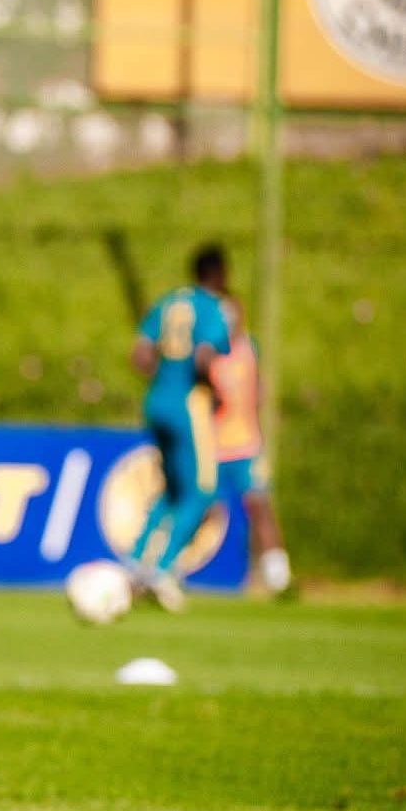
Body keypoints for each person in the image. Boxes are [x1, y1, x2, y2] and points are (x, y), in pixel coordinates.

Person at [125, 244, 233, 612]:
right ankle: (163, 569)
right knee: (202, 491)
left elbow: (139, 354)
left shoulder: (169, 301)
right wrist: (214, 390)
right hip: (190, 405)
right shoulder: (213, 307)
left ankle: (136, 563)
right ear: (219, 273)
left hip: (157, 401)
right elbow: (204, 357)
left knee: (173, 490)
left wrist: (166, 377)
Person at [197, 252, 293, 597]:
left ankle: (279, 578)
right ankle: (170, 571)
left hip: (245, 446)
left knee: (260, 507)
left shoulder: (248, 349)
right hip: (209, 446)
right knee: (199, 507)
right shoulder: (207, 355)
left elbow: (259, 392)